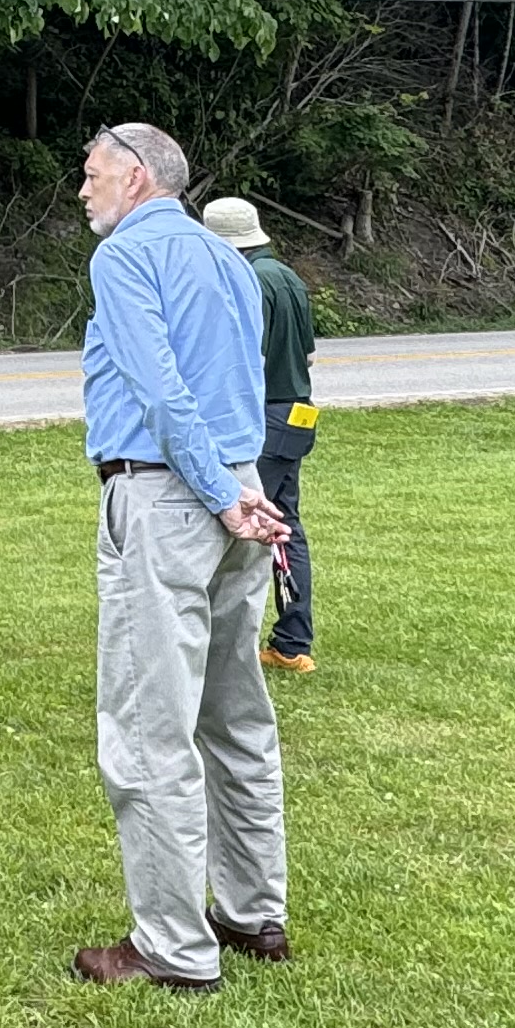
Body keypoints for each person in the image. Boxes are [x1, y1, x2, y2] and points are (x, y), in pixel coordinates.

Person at [72, 123, 296, 995]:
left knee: (148, 727)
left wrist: (215, 491)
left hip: (172, 497)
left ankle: (172, 946)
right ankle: (253, 913)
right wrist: (239, 488)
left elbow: (160, 389)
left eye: (92, 175)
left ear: (134, 178)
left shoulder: (125, 256)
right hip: (238, 488)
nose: (84, 191)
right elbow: (243, 384)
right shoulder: (228, 260)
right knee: (236, 715)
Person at [198, 196, 321, 672]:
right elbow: (307, 356)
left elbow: (245, 359)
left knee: (236, 520)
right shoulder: (287, 277)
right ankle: (292, 642)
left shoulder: (247, 279)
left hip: (263, 416)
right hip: (298, 413)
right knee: (285, 523)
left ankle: (218, 643)